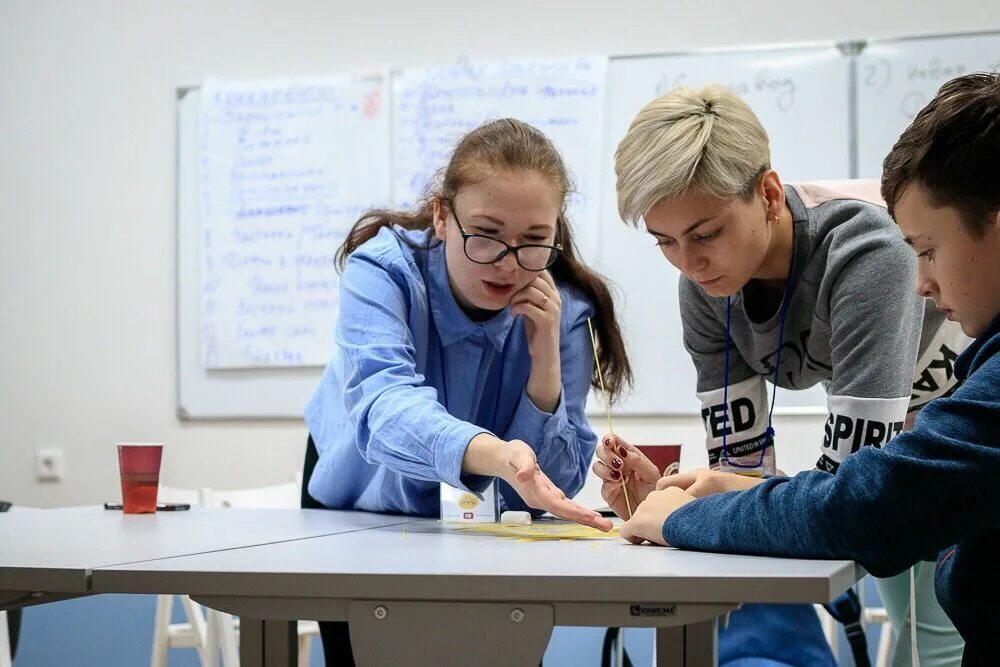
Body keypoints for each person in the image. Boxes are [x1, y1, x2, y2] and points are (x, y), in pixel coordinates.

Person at [617, 72, 1000, 666]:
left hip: (944, 429)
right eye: (664, 242)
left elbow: (849, 501)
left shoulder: (869, 250)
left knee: (930, 638)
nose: (688, 264)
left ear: (769, 195)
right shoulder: (703, 285)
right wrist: (698, 493)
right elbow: (747, 468)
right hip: (911, 458)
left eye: (706, 234)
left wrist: (696, 514)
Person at [301, 118, 629, 664]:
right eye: (487, 234)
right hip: (360, 505)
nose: (507, 262)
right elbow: (383, 408)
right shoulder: (382, 270)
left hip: (486, 527)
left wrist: (544, 361)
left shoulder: (563, 309)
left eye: (533, 242)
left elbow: (557, 482)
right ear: (441, 216)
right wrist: (497, 455)